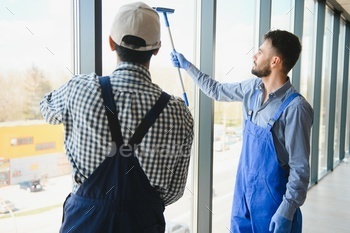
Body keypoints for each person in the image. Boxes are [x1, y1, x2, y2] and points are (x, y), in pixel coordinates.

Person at [40, 2, 194, 232]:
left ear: (111, 42)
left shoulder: (80, 90)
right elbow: (174, 191)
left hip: (84, 223)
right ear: (157, 49)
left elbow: (47, 110)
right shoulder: (179, 113)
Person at [171, 30, 313, 233]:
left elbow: (300, 169)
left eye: (261, 52)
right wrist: (187, 66)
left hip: (273, 204)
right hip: (244, 194)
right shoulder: (253, 89)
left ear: (275, 61)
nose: (255, 56)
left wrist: (286, 211)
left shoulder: (296, 108)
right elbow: (217, 90)